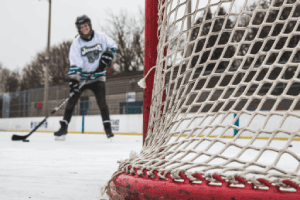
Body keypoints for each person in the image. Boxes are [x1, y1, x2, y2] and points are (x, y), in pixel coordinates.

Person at [54, 15, 117, 140]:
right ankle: (64, 127)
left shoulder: (101, 37)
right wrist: (74, 81)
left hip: (98, 77)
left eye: (86, 26)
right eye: (81, 27)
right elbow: (75, 63)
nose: (84, 28)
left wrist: (108, 56)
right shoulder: (76, 44)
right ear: (79, 29)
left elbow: (113, 47)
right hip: (82, 78)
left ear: (90, 25)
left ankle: (108, 130)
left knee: (102, 102)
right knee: (72, 100)